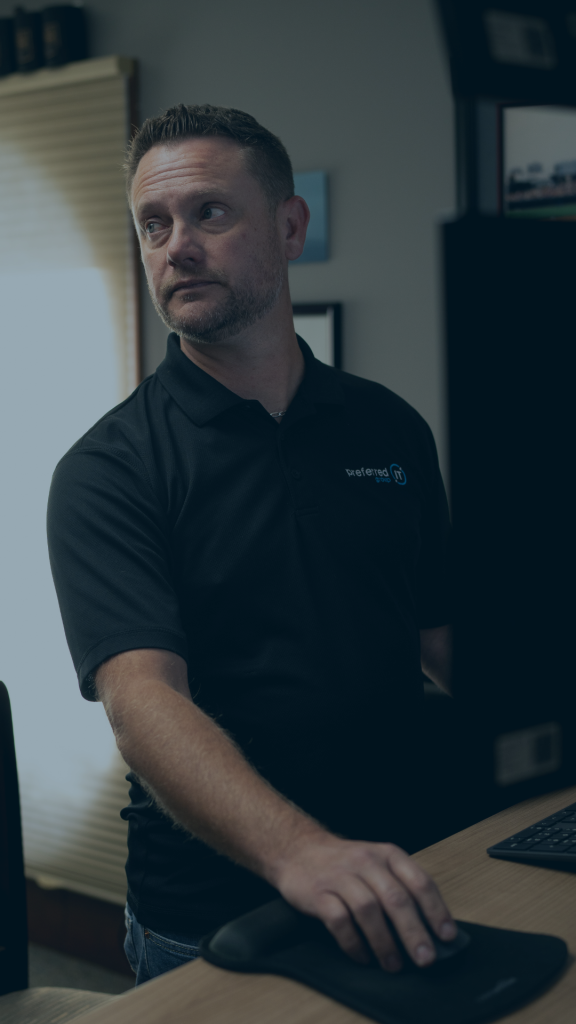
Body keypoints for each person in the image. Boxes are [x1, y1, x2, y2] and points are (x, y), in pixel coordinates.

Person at [47, 104, 455, 986]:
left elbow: (438, 635)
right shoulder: (109, 468)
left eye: (210, 213)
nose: (176, 246)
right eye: (153, 224)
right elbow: (143, 702)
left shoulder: (387, 426)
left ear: (291, 225)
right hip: (211, 922)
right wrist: (305, 856)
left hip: (410, 874)